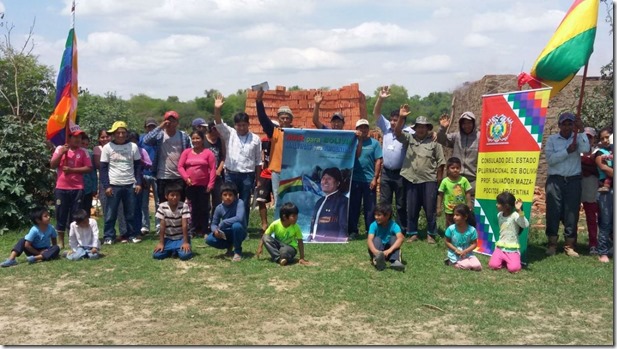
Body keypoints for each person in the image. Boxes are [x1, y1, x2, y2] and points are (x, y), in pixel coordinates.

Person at [395, 106, 445, 244]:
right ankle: (413, 233)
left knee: (430, 209)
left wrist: (439, 180)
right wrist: (401, 117)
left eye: (424, 127)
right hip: (411, 179)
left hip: (429, 180)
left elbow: (441, 163)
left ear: (428, 128)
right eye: (418, 127)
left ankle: (431, 234)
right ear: (415, 128)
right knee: (411, 208)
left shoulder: (434, 143)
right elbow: (397, 132)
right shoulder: (409, 139)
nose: (421, 129)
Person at [544, 112, 589, 257]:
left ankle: (569, 245)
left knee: (571, 213)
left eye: (570, 124)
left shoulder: (578, 138)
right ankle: (552, 243)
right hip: (555, 180)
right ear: (559, 125)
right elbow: (550, 160)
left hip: (573, 180)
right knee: (553, 211)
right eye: (564, 124)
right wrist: (566, 151)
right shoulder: (552, 140)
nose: (567, 127)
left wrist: (581, 130)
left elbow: (586, 150)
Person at [213, 95, 261, 225]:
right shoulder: (230, 134)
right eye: (239, 125)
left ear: (248, 125)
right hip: (231, 174)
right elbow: (218, 123)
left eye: (244, 125)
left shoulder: (255, 139)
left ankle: (242, 227)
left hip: (247, 176)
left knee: (244, 202)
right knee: (229, 201)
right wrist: (217, 109)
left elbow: (258, 161)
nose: (241, 128)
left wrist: (258, 179)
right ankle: (228, 225)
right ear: (235, 125)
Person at [373, 86, 412, 235]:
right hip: (386, 173)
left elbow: (421, 137)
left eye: (396, 120)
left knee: (401, 203)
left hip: (402, 173)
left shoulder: (409, 132)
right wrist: (380, 99)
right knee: (384, 203)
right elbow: (376, 113)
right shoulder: (386, 128)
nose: (393, 122)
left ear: (403, 120)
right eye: (392, 120)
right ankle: (384, 227)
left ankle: (402, 230)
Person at [99, 121, 143, 245]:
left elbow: (138, 166)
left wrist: (139, 182)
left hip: (130, 184)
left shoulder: (133, 146)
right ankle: (109, 236)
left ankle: (132, 235)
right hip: (113, 184)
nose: (121, 135)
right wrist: (106, 185)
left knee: (130, 212)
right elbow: (103, 168)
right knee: (110, 213)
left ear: (127, 133)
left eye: (123, 132)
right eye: (118, 133)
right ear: (113, 134)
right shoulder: (107, 147)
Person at [49, 127, 93, 249]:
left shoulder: (83, 152)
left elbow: (89, 168)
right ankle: (61, 240)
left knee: (75, 214)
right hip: (61, 187)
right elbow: (52, 165)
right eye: (76, 137)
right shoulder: (60, 148)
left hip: (77, 188)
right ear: (69, 137)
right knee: (61, 213)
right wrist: (62, 153)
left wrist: (72, 170)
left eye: (80, 137)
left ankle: (74, 238)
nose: (78, 139)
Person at [142, 110, 192, 204]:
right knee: (163, 204)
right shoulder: (160, 135)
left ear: (177, 123)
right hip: (163, 175)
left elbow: (189, 153)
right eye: (168, 120)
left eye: (173, 121)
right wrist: (160, 127)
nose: (170, 123)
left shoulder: (183, 136)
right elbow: (146, 140)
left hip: (179, 176)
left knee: (179, 204)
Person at [256, 88, 294, 206]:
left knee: (291, 199)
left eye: (287, 118)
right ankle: (279, 223)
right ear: (279, 119)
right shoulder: (275, 131)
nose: (285, 120)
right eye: (282, 118)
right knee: (278, 200)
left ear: (291, 119)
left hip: (292, 171)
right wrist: (259, 101)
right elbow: (263, 119)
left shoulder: (297, 133)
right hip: (277, 170)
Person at [348, 119, 383, 240]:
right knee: (354, 206)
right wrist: (359, 141)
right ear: (356, 129)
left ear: (368, 129)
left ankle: (370, 230)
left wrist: (375, 178)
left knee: (370, 208)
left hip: (369, 180)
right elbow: (355, 156)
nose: (363, 130)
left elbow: (378, 160)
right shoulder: (352, 143)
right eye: (360, 127)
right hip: (355, 179)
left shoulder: (374, 143)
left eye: (365, 127)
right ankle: (353, 231)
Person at [178, 130, 217, 238]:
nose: (195, 141)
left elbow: (213, 169)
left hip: (204, 185)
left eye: (198, 138)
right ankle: (193, 230)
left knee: (204, 208)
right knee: (192, 208)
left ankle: (204, 230)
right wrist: (186, 178)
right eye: (193, 138)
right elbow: (180, 167)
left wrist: (211, 184)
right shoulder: (186, 152)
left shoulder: (208, 153)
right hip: (190, 185)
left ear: (202, 139)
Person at [436, 111, 479, 201]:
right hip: (456, 180)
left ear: (473, 123)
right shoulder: (456, 137)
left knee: (471, 209)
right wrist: (442, 128)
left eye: (469, 123)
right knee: (456, 208)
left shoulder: (479, 137)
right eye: (464, 123)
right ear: (460, 124)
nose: (467, 126)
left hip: (473, 181)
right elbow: (441, 139)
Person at [488, 192, 529, 273]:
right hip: (500, 248)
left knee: (514, 269)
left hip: (512, 249)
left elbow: (525, 225)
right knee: (493, 265)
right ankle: (502, 259)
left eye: (499, 203)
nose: (496, 205)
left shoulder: (515, 215)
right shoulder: (499, 215)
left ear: (506, 206)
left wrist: (519, 211)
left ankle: (511, 260)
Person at [206, 182, 247, 262]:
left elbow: (239, 218)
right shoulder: (219, 208)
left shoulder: (239, 203)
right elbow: (214, 224)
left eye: (230, 195)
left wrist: (224, 222)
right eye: (225, 195)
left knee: (236, 226)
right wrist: (215, 231)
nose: (227, 197)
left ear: (235, 196)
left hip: (239, 231)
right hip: (225, 233)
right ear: (221, 196)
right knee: (209, 239)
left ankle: (237, 251)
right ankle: (229, 245)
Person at [152, 184, 193, 261]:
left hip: (181, 238)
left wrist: (185, 242)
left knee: (184, 256)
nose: (175, 197)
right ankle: (173, 250)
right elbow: (162, 226)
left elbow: (184, 225)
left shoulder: (184, 206)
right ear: (166, 196)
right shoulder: (162, 206)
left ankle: (176, 249)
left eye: (177, 195)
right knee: (156, 255)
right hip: (168, 238)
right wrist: (161, 243)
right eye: (172, 195)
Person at [309, 167, 349, 242]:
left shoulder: (343, 201)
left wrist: (340, 242)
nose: (325, 181)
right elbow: (313, 223)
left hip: (330, 243)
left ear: (337, 183)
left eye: (329, 179)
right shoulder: (319, 201)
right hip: (314, 242)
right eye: (323, 178)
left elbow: (343, 225)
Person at [367, 204, 405, 271]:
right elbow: (369, 240)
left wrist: (389, 250)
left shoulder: (394, 225)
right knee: (376, 239)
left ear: (387, 215)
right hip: (377, 249)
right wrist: (376, 252)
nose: (376, 217)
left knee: (394, 238)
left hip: (389, 250)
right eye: (375, 215)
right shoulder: (373, 225)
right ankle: (378, 260)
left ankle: (395, 261)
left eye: (379, 215)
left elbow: (401, 238)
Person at [594, 126, 613, 263]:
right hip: (605, 190)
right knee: (605, 221)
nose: (605, 140)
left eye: (607, 137)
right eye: (602, 138)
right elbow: (604, 167)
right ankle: (603, 251)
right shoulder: (599, 152)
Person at [444, 204, 482, 271]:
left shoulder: (472, 230)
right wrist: (456, 250)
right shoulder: (451, 229)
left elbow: (474, 244)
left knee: (477, 266)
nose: (454, 217)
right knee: (467, 266)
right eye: (454, 215)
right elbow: (447, 242)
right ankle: (450, 261)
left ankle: (465, 262)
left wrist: (466, 251)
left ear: (465, 217)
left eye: (457, 215)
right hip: (455, 253)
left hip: (467, 253)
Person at [437, 157, 473, 227]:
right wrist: (438, 207)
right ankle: (449, 237)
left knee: (461, 225)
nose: (455, 170)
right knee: (450, 226)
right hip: (449, 209)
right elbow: (440, 195)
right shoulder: (445, 181)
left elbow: (467, 193)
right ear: (448, 169)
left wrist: (469, 204)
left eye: (457, 168)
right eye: (452, 168)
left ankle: (460, 237)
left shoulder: (463, 180)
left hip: (461, 209)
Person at [129, 131, 152, 238]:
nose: (133, 143)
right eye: (131, 140)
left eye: (135, 140)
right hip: (126, 180)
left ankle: (143, 226)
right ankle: (129, 228)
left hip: (140, 180)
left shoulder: (142, 150)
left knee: (141, 204)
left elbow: (149, 164)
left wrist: (140, 161)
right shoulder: (125, 150)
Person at [580, 127, 599, 254]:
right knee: (570, 217)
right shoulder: (577, 151)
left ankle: (593, 243)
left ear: (593, 139)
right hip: (576, 186)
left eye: (589, 137)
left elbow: (598, 168)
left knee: (591, 217)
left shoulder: (598, 152)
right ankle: (570, 242)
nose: (587, 139)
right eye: (585, 137)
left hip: (591, 188)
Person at [203, 120, 226, 223]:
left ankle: (214, 222)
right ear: (213, 129)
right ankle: (204, 223)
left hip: (217, 175)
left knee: (217, 200)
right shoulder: (203, 140)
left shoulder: (221, 141)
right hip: (204, 175)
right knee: (205, 201)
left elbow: (223, 157)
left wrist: (219, 169)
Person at [139, 117, 160, 235]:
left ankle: (158, 224)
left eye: (153, 126)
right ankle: (145, 226)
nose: (151, 128)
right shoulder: (142, 139)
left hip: (157, 173)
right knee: (144, 202)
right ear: (145, 127)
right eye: (149, 126)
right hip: (144, 174)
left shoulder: (160, 138)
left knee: (158, 202)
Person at [93, 129, 111, 217]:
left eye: (107, 136)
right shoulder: (97, 149)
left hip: (117, 178)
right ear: (99, 139)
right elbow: (97, 164)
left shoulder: (115, 147)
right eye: (102, 137)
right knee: (104, 201)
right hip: (104, 179)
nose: (105, 139)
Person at [80, 133, 98, 217]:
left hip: (88, 187)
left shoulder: (90, 154)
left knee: (86, 210)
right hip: (76, 187)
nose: (84, 146)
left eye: (86, 144)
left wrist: (94, 188)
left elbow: (93, 172)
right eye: (82, 143)